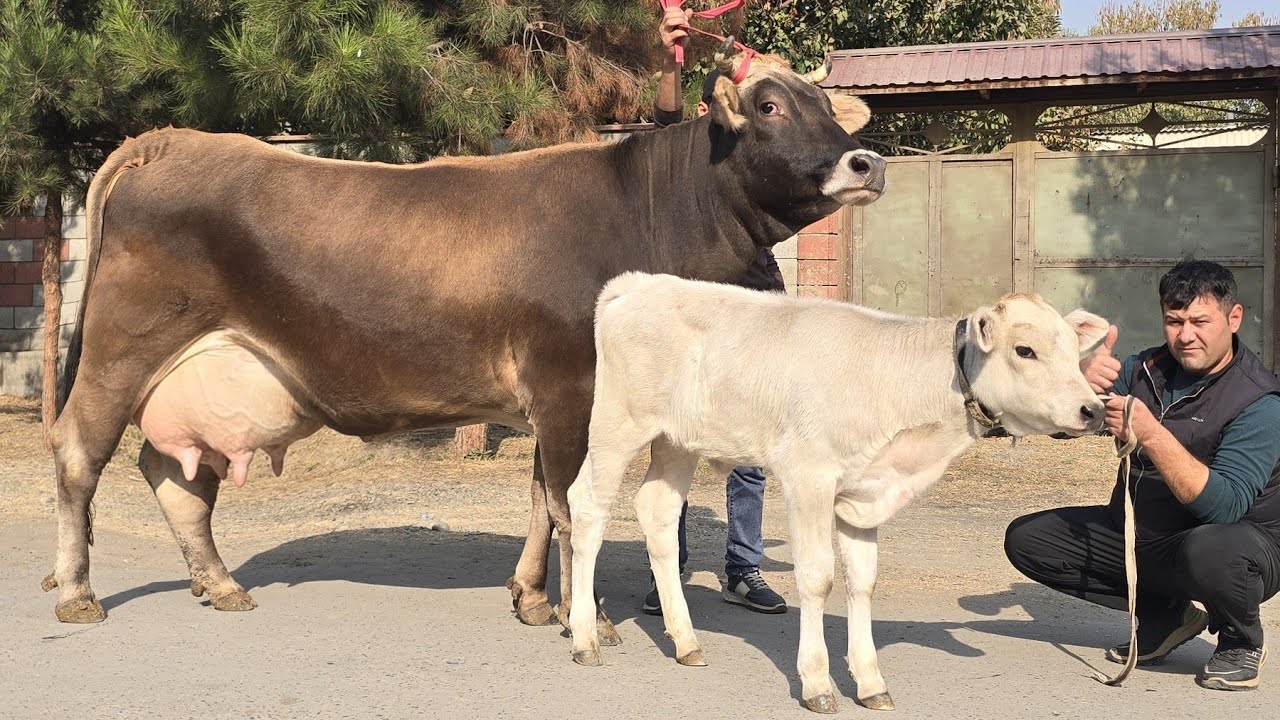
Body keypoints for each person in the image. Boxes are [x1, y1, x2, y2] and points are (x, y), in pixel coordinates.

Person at [1004, 259, 1280, 691]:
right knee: (1029, 540)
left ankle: (1240, 639)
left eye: (1200, 321)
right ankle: (1168, 615)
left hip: (1234, 548)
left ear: (1234, 317)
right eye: (1174, 321)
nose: (1185, 335)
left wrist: (1152, 433)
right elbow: (1069, 428)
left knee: (1214, 548)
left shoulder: (1260, 401)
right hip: (1148, 533)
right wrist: (1077, 385)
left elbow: (1224, 507)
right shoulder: (1142, 369)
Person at [638, 5, 786, 615]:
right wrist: (671, 47)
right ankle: (666, 573)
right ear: (708, 110)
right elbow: (665, 111)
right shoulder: (683, 153)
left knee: (753, 446)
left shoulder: (752, 151)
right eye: (720, 103)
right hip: (687, 312)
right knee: (672, 442)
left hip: (755, 300)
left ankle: (743, 569)